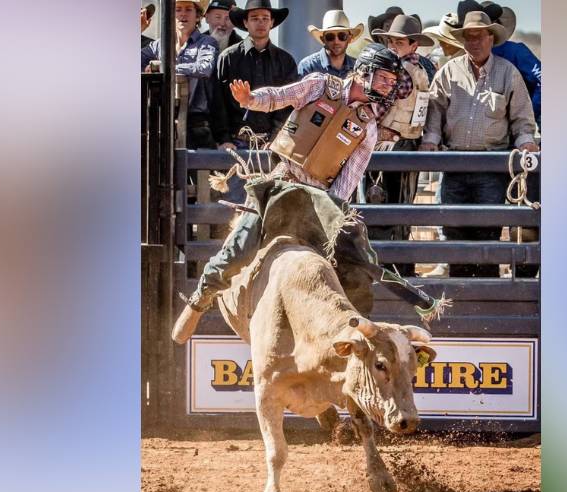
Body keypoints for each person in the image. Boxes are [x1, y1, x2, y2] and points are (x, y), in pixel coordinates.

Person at [171, 44, 443, 344]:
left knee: (355, 265)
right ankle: (199, 300)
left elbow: (346, 184)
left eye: (392, 82)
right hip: (279, 185)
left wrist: (333, 218)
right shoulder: (320, 85)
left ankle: (349, 334)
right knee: (239, 249)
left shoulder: (368, 130)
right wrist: (251, 99)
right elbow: (280, 96)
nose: (389, 87)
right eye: (384, 79)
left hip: (317, 202)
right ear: (364, 72)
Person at [420, 11, 538, 278]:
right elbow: (435, 112)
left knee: (488, 234)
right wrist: (430, 142)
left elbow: (521, 119)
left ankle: (487, 298)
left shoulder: (508, 74)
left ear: (490, 38)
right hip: (454, 165)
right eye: (468, 36)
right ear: (462, 40)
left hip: (491, 166)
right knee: (453, 232)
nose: (474, 41)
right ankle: (461, 299)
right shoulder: (449, 72)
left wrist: (526, 142)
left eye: (479, 36)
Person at [365, 15, 437, 277]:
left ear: (413, 44)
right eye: (391, 41)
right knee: (402, 207)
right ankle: (402, 269)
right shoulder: (425, 69)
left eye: (399, 41)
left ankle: (384, 270)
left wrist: (370, 124)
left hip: (387, 145)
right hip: (409, 144)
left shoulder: (397, 73)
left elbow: (381, 105)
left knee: (380, 206)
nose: (393, 45)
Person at [210, 0, 298, 152]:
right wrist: (224, 139)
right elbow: (218, 103)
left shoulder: (286, 61)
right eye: (255, 18)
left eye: (265, 18)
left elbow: (290, 105)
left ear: (272, 22)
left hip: (273, 145)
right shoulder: (229, 58)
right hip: (235, 143)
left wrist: (275, 139)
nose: (260, 23)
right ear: (245, 22)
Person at [141, 0, 219, 149]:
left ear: (198, 17)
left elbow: (204, 67)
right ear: (170, 15)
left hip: (196, 125)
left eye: (188, 9)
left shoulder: (206, 42)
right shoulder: (158, 45)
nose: (183, 14)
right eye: (178, 9)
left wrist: (163, 67)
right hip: (161, 124)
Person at [297, 10, 362, 79]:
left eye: (342, 36)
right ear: (323, 39)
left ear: (349, 38)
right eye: (330, 37)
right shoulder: (309, 66)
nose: (336, 41)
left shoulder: (358, 68)